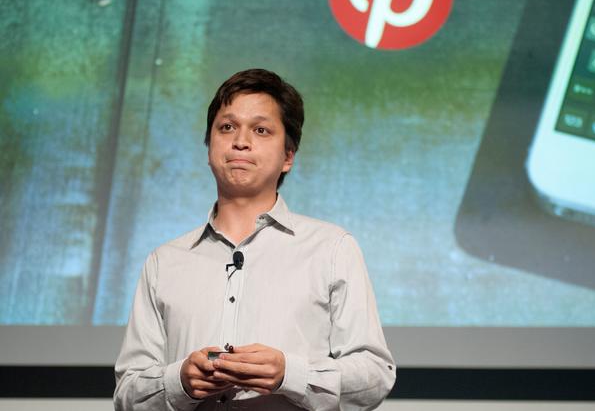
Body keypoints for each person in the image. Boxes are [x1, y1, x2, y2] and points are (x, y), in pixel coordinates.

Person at [114, 68, 395, 410]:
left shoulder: (332, 248)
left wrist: (288, 374)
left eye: (260, 130)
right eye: (227, 127)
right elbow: (127, 395)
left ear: (288, 157)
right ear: (209, 148)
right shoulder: (165, 261)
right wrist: (180, 381)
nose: (240, 141)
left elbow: (375, 376)